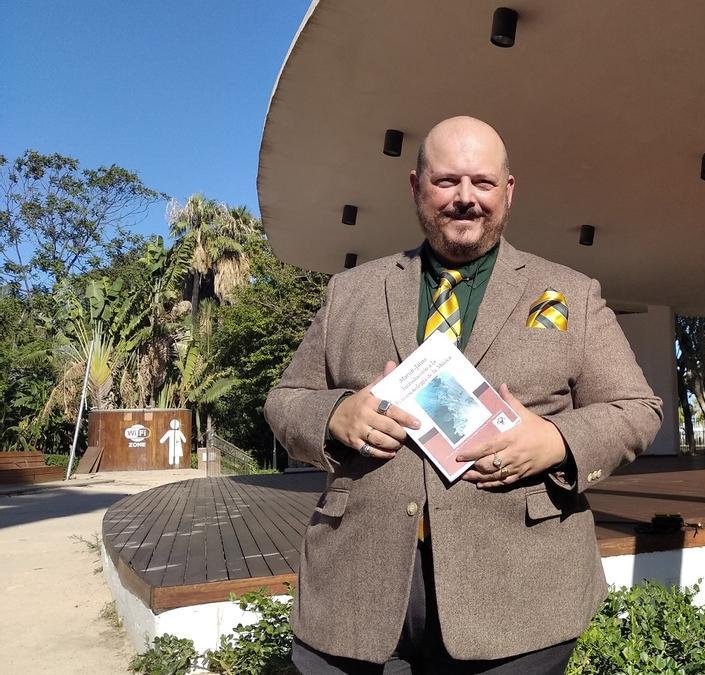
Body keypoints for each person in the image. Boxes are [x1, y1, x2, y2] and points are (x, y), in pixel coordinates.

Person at [265, 116, 663, 674]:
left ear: (508, 190)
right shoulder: (350, 291)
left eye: (482, 182)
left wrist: (555, 441)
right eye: (447, 181)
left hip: (519, 596)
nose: (466, 199)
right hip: (358, 588)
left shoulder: (570, 291)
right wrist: (336, 414)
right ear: (415, 186)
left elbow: (636, 410)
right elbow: (284, 398)